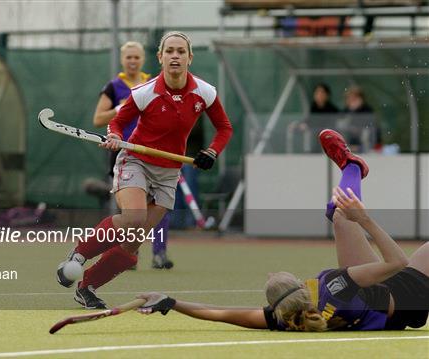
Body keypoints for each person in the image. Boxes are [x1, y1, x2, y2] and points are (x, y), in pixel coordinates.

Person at [136, 129, 428, 331]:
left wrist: (171, 302)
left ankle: (351, 167)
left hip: (379, 302)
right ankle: (352, 171)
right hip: (408, 296)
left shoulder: (285, 318)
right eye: (276, 277)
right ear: (300, 286)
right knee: (349, 218)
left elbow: (220, 314)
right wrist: (365, 220)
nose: (270, 273)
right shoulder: (332, 285)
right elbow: (398, 263)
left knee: (340, 217)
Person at [56, 31, 233, 309]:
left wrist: (212, 151)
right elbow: (117, 123)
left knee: (133, 243)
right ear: (160, 57)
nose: (175, 56)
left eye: (181, 51)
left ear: (190, 57)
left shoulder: (205, 92)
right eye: (170, 51)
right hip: (136, 160)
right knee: (134, 218)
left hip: (169, 171)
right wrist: (114, 135)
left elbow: (224, 128)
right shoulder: (144, 92)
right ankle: (78, 255)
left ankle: (87, 286)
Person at [91, 41, 173, 269]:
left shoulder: (154, 84)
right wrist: (119, 109)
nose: (133, 61)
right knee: (131, 210)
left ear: (143, 59)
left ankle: (159, 253)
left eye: (136, 57)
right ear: (122, 60)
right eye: (129, 58)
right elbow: (98, 119)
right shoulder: (113, 87)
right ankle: (129, 253)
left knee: (159, 206)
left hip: (153, 152)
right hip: (123, 155)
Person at [343, 85, 381, 152]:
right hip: (350, 140)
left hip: (364, 141)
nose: (351, 101)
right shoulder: (346, 111)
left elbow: (372, 126)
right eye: (349, 98)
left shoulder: (368, 110)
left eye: (354, 98)